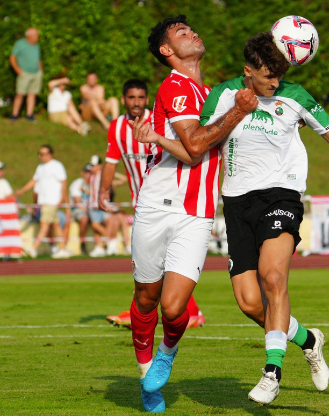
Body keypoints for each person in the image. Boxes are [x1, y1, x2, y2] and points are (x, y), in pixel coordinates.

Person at [133, 30, 329, 406]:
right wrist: (160, 138)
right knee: (250, 303)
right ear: (248, 72)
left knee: (274, 277)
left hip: (281, 196)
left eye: (279, 74)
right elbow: (198, 144)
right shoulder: (222, 95)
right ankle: (308, 339)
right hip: (237, 202)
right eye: (268, 75)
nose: (275, 81)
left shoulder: (296, 95)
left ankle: (272, 372)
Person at [124, 15, 265, 413]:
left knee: (173, 306)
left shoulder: (212, 93)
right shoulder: (177, 86)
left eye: (192, 29)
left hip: (197, 214)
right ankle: (145, 374)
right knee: (146, 298)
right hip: (156, 205)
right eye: (181, 33)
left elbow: (196, 149)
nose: (193, 33)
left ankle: (166, 353)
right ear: (167, 51)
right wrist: (237, 112)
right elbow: (197, 146)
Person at [99, 79, 207, 330]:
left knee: (165, 263)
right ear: (123, 99)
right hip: (143, 203)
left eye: (140, 98)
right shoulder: (116, 127)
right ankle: (188, 311)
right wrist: (103, 191)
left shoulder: (160, 120)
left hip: (169, 199)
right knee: (151, 262)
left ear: (146, 99)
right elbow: (110, 161)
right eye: (131, 98)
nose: (136, 102)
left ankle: (143, 311)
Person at [15, 145, 72, 259]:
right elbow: (33, 181)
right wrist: (22, 190)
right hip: (44, 201)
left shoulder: (57, 166)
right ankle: (62, 249)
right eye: (39, 154)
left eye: (43, 154)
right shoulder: (40, 167)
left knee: (44, 224)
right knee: (55, 225)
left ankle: (34, 248)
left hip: (52, 201)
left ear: (50, 154)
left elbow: (63, 183)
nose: (41, 156)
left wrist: (62, 199)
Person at [9, 28, 42, 122]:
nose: (38, 37)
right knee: (20, 94)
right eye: (36, 35)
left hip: (36, 73)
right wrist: (17, 70)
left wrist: (40, 70)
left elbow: (38, 59)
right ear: (29, 36)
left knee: (32, 94)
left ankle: (29, 115)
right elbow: (12, 57)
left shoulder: (36, 45)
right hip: (24, 73)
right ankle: (14, 115)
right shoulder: (20, 44)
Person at [68, 164, 92, 255]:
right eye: (86, 172)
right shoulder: (77, 183)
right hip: (77, 210)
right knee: (84, 218)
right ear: (82, 173)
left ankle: (104, 244)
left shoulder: (93, 183)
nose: (88, 175)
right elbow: (77, 202)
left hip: (91, 209)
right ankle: (83, 242)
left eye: (90, 172)